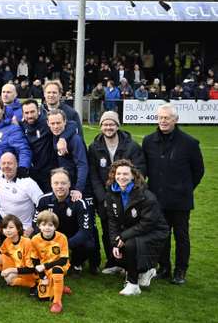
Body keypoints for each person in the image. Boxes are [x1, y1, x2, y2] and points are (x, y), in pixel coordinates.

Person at [142, 104, 204, 284]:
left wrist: (185, 188)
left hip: (180, 200)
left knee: (181, 236)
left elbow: (198, 170)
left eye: (167, 118)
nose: (163, 121)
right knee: (162, 235)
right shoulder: (148, 141)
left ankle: (180, 270)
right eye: (160, 118)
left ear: (175, 120)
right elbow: (145, 168)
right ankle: (164, 268)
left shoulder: (189, 142)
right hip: (157, 199)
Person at [86, 110, 146, 273]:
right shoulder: (94, 147)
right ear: (101, 127)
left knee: (128, 229)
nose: (108, 127)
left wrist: (129, 191)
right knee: (108, 230)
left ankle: (129, 263)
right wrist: (102, 197)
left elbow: (140, 170)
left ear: (117, 126)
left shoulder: (132, 146)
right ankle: (113, 262)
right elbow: (93, 174)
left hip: (128, 196)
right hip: (106, 197)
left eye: (112, 124)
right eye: (105, 124)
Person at [104, 159, 169, 295]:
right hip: (133, 230)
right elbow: (112, 221)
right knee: (119, 250)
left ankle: (133, 284)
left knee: (130, 245)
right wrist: (115, 242)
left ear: (133, 175)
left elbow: (148, 223)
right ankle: (145, 270)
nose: (121, 177)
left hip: (154, 230)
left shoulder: (145, 195)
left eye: (126, 174)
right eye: (118, 174)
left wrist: (123, 236)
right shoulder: (111, 193)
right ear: (113, 175)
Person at [34, 169, 97, 274]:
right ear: (51, 184)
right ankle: (42, 262)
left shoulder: (79, 202)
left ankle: (76, 264)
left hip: (72, 236)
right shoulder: (43, 200)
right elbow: (36, 225)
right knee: (33, 237)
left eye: (63, 183)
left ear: (69, 184)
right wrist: (47, 240)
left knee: (89, 244)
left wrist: (65, 244)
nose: (59, 186)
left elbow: (85, 231)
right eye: (56, 183)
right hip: (50, 235)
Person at [0, 152, 44, 233]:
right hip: (3, 218)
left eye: (10, 163)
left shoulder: (28, 182)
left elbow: (43, 203)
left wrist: (33, 226)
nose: (6, 166)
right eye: (3, 163)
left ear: (16, 164)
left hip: (23, 226)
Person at [31, 210, 71, 313]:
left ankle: (57, 302)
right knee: (42, 297)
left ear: (55, 226)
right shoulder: (35, 240)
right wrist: (42, 277)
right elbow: (35, 261)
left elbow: (63, 260)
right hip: (44, 269)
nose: (47, 228)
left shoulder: (62, 238)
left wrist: (45, 266)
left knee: (56, 270)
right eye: (43, 225)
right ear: (39, 226)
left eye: (50, 225)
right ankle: (60, 287)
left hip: (60, 266)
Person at [47, 110, 88, 198]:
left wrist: (78, 189)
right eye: (52, 123)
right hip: (60, 184)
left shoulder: (75, 140)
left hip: (74, 186)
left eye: (58, 123)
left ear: (65, 122)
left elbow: (82, 165)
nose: (56, 126)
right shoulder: (52, 134)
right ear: (48, 123)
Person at [0, 98, 32, 175]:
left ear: (3, 110)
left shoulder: (13, 129)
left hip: (7, 174)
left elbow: (23, 149)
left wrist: (23, 167)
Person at [0, 215, 38, 292]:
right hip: (16, 265)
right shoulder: (7, 241)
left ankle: (32, 284)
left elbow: (31, 268)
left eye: (11, 227)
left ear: (18, 228)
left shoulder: (27, 242)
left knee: (9, 279)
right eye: (5, 228)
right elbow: (2, 252)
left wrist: (11, 270)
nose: (8, 230)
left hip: (30, 272)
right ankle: (3, 273)